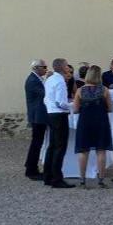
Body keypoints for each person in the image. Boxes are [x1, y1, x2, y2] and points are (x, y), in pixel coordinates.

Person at [72, 65, 113, 189]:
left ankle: (82, 180)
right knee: (101, 151)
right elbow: (111, 108)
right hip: (101, 122)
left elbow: (75, 110)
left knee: (83, 151)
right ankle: (101, 180)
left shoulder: (80, 90)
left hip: (85, 122)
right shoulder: (105, 90)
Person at [42, 58, 72, 188]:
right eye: (66, 65)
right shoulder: (60, 81)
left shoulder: (49, 79)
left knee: (52, 146)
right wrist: (73, 106)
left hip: (50, 113)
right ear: (62, 67)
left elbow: (46, 99)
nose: (68, 68)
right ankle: (57, 178)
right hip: (59, 115)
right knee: (60, 147)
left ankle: (47, 176)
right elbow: (61, 103)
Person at [23, 59, 49, 180]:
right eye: (44, 67)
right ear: (36, 68)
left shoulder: (37, 79)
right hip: (37, 116)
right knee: (36, 143)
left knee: (37, 143)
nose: (46, 69)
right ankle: (31, 170)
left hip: (38, 115)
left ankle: (30, 165)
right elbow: (45, 93)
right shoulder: (33, 80)